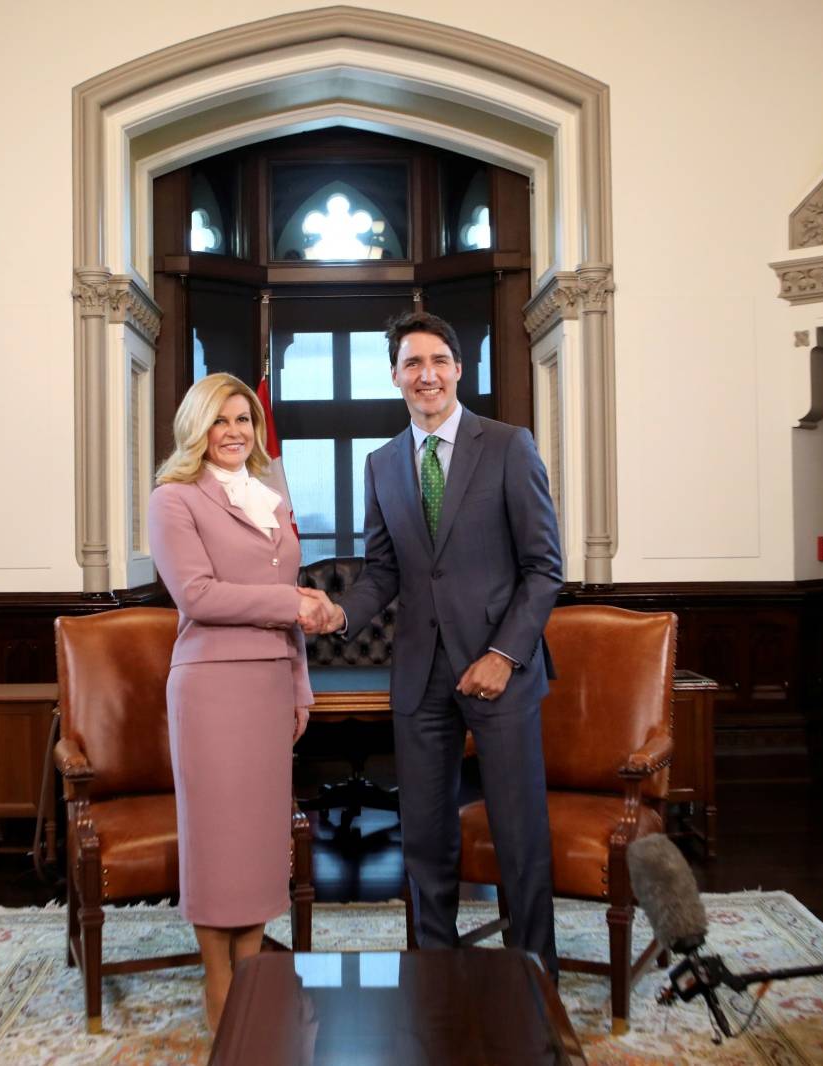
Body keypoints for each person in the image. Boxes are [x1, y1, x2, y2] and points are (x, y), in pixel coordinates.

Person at [306, 310, 563, 977]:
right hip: (419, 675)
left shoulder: (508, 446)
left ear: (458, 369)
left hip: (500, 671)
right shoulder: (382, 463)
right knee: (424, 838)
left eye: (439, 360)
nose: (427, 374)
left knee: (518, 836)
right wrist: (338, 614)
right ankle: (435, 977)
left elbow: (543, 569)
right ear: (396, 376)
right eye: (412, 363)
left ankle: (534, 979)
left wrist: (503, 656)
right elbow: (384, 570)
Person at [148, 372, 337, 1029]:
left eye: (245, 421)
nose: (235, 433)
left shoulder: (271, 500)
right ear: (197, 429)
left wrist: (300, 686)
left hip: (269, 688)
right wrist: (292, 604)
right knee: (216, 838)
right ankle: (218, 981)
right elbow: (197, 596)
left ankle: (252, 971)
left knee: (260, 840)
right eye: (221, 421)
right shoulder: (173, 500)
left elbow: (291, 618)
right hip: (211, 686)